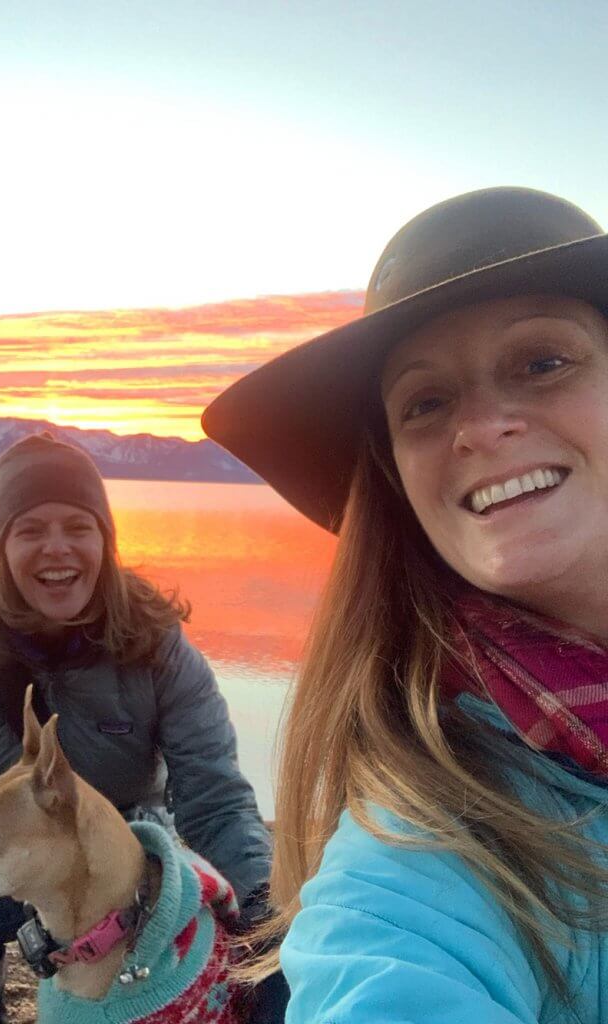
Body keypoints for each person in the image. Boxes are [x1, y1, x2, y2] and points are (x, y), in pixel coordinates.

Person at [202, 186, 608, 1023]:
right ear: (395, 478)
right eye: (424, 403)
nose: (481, 426)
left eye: (542, 362)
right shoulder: (422, 857)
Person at [0, 431, 282, 1023]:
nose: (56, 548)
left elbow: (215, 798)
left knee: (272, 969)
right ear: (2, 548)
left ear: (105, 541)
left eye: (77, 526)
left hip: (120, 875)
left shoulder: (157, 644)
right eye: (30, 530)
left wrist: (265, 907)